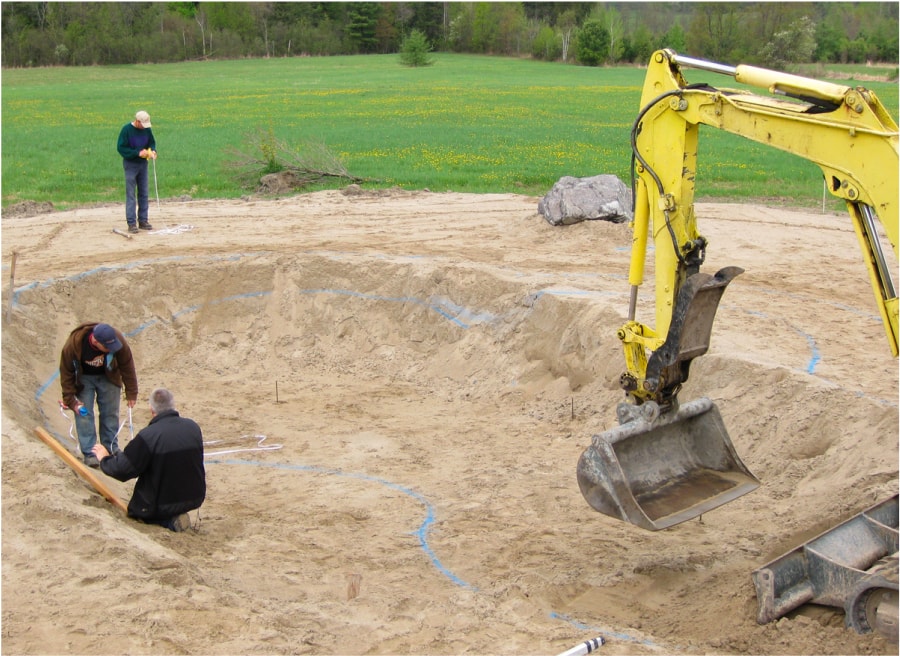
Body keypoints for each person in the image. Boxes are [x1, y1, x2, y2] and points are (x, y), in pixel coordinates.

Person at [93, 388, 206, 533]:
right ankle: (173, 515)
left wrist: (104, 458)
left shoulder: (148, 436)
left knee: (138, 512)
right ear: (173, 405)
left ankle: (169, 522)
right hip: (194, 496)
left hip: (161, 503)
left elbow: (122, 469)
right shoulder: (193, 427)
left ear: (152, 409)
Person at [59, 322, 138, 467]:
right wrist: (70, 400)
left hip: (109, 377)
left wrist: (131, 392)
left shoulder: (117, 340)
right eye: (107, 348)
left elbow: (127, 364)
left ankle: (110, 449)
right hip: (83, 379)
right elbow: (66, 374)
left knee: (110, 413)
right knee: (84, 413)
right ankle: (90, 453)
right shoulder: (73, 345)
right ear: (95, 341)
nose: (110, 350)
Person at [116, 110, 157, 234]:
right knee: (131, 194)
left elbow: (151, 142)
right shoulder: (126, 130)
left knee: (144, 192)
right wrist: (137, 153)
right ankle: (131, 223)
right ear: (137, 121)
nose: (144, 127)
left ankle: (143, 220)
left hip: (143, 164)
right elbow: (121, 148)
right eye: (143, 124)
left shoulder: (147, 130)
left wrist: (152, 151)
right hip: (130, 164)